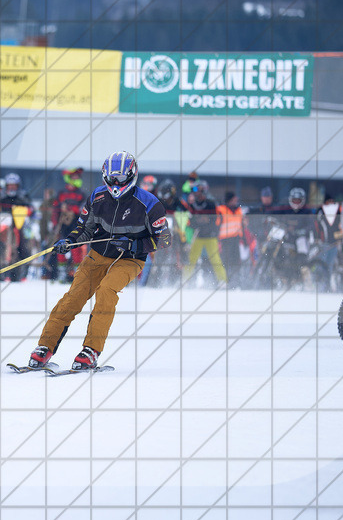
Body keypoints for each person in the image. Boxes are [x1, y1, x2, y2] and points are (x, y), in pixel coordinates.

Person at [28, 152, 171, 371]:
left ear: (132, 176)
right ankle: (44, 348)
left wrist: (135, 246)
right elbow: (84, 229)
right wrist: (70, 241)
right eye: (113, 178)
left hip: (129, 260)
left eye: (122, 179)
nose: (116, 183)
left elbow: (165, 239)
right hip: (97, 256)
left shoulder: (150, 204)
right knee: (73, 298)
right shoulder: (97, 196)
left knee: (106, 291)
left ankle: (91, 350)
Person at [183, 181, 227, 286]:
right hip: (198, 236)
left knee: (215, 259)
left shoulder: (210, 203)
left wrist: (202, 220)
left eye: (197, 190)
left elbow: (213, 220)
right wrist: (201, 220)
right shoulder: (193, 205)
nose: (196, 193)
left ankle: (223, 281)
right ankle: (185, 281)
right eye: (194, 190)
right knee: (191, 259)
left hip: (210, 236)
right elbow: (191, 222)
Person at [52, 167, 87, 282]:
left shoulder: (82, 194)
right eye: (74, 177)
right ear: (69, 178)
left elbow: (84, 209)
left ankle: (77, 275)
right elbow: (55, 209)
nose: (76, 179)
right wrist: (54, 224)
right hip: (62, 226)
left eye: (78, 177)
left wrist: (72, 209)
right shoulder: (62, 193)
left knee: (76, 250)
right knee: (60, 248)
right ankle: (61, 274)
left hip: (76, 226)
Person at [217, 191, 244, 288]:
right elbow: (217, 225)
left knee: (236, 261)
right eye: (233, 200)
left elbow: (242, 225)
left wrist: (243, 239)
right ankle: (226, 281)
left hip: (235, 240)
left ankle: (236, 282)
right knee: (225, 262)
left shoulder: (238, 210)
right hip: (224, 240)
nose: (235, 202)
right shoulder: (221, 210)